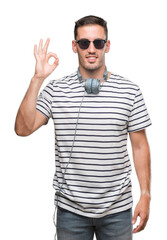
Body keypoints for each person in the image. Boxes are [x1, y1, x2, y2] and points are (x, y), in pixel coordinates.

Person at [15, 15, 152, 240]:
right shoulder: (56, 90)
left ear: (107, 46)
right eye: (84, 43)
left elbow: (140, 146)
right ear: (74, 46)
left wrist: (145, 194)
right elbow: (23, 128)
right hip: (71, 211)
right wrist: (37, 78)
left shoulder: (130, 91)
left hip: (118, 210)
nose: (91, 49)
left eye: (98, 43)